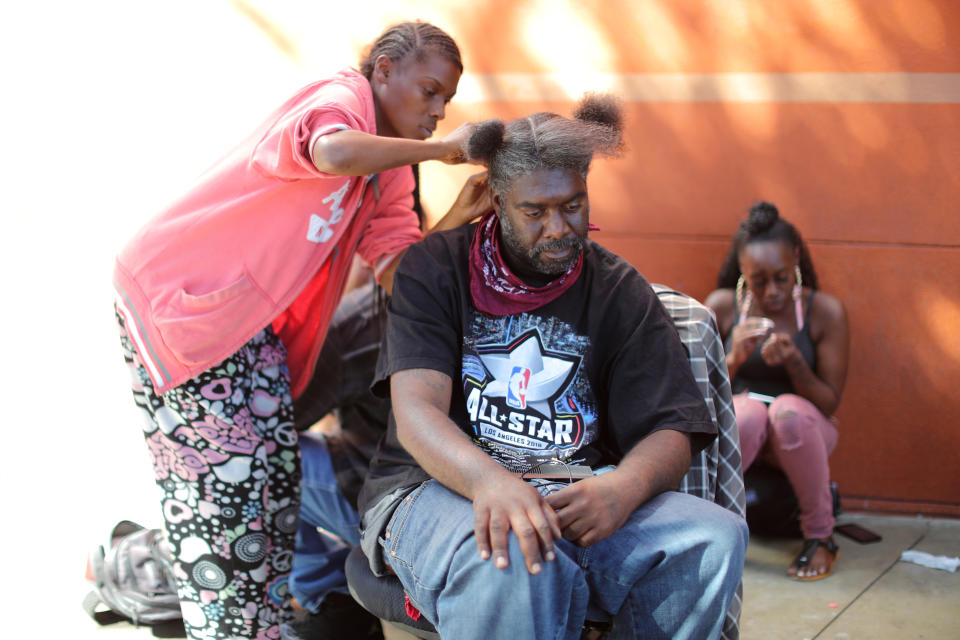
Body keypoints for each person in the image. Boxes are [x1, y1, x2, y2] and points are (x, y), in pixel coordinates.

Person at [113, 21, 488, 639]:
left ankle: (262, 626)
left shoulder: (390, 172)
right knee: (224, 509)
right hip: (184, 305)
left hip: (249, 328)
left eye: (446, 101)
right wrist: (444, 150)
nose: (437, 111)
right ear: (384, 70)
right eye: (428, 92)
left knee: (274, 494)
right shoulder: (338, 97)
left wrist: (456, 219)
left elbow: (397, 270)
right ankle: (232, 630)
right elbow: (331, 152)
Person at [355, 96, 748, 640]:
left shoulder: (617, 289)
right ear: (496, 201)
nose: (559, 228)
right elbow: (416, 412)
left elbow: (673, 426)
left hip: (569, 491)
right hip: (435, 488)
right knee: (516, 554)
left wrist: (624, 488)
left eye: (573, 205)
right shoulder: (435, 268)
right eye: (535, 212)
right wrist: (491, 482)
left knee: (711, 537)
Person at [705, 202, 849, 581]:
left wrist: (794, 363)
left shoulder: (825, 312)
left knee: (787, 410)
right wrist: (734, 357)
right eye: (758, 280)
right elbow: (698, 393)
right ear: (742, 271)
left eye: (782, 278)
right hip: (743, 426)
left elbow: (830, 402)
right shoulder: (721, 307)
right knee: (749, 412)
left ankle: (821, 538)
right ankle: (715, 533)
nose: (772, 292)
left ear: (796, 260)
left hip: (803, 429)